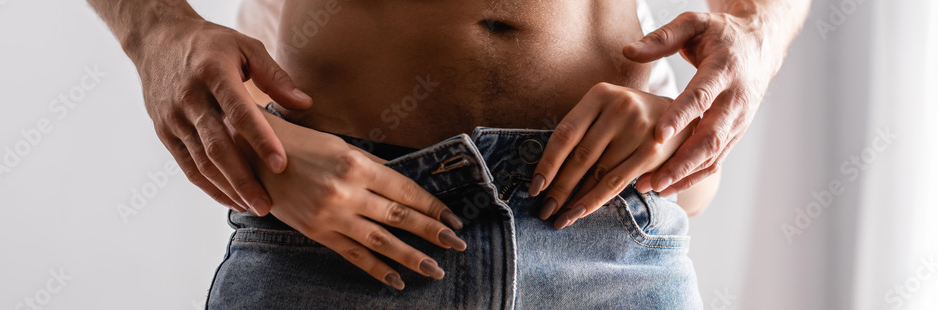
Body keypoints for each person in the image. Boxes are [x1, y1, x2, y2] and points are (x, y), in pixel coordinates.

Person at [88, 0, 809, 308]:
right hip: (337, 238)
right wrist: (158, 35)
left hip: (606, 245)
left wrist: (750, 43)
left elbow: (754, 19)